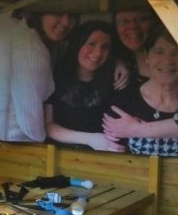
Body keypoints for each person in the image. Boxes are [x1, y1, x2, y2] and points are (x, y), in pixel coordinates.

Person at [0, 9, 76, 142]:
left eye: (72, 15)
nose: (66, 22)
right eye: (58, 12)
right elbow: (29, 117)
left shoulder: (12, 29)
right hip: (18, 138)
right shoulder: (31, 47)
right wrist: (41, 144)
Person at [105, 25, 178, 156]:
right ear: (146, 57)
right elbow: (112, 159)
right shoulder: (124, 100)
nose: (168, 61)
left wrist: (136, 129)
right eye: (159, 52)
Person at [44, 20, 123, 151]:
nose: (98, 53)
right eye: (91, 44)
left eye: (105, 47)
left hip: (101, 158)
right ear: (78, 44)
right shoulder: (57, 74)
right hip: (59, 154)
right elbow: (48, 126)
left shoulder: (116, 79)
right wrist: (90, 139)